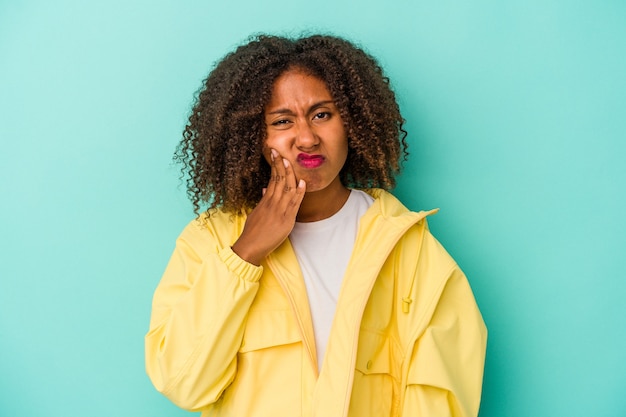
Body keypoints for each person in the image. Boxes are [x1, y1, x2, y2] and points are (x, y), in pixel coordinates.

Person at [145, 34, 487, 417]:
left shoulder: (408, 247)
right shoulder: (209, 240)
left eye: (322, 114)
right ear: (252, 137)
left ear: (353, 122)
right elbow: (181, 383)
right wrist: (245, 253)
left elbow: (441, 395)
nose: (306, 138)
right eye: (282, 121)